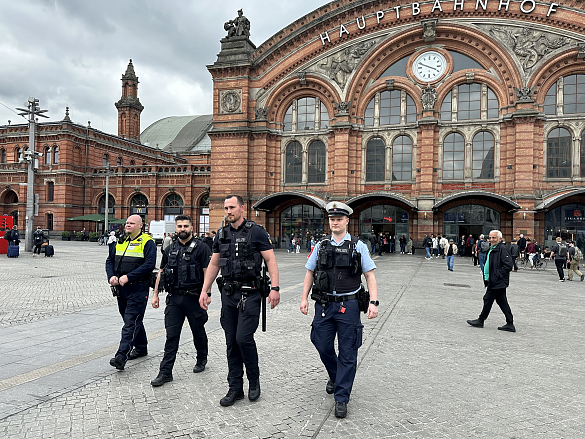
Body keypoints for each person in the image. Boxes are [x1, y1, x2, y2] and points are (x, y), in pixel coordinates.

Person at [199, 195, 280, 407]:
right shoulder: (221, 234)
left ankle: (254, 381)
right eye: (226, 208)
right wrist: (204, 290)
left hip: (251, 294)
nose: (228, 211)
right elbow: (214, 264)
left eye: (232, 207)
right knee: (231, 342)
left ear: (242, 208)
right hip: (228, 294)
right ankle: (235, 388)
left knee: (243, 338)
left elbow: (270, 259)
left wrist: (275, 288)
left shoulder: (257, 231)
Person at [300, 201, 378, 419]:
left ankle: (341, 398)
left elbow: (369, 275)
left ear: (347, 221)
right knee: (321, 343)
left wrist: (374, 302)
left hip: (349, 305)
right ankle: (335, 376)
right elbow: (309, 272)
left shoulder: (358, 246)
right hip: (324, 305)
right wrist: (303, 298)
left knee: (348, 352)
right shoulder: (321, 245)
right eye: (331, 219)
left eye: (338, 219)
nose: (334, 222)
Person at [150, 215, 212, 387]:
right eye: (179, 226)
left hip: (194, 298)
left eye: (185, 226)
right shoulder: (170, 249)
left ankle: (202, 358)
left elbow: (208, 272)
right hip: (175, 299)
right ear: (175, 228)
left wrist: (207, 293)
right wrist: (155, 294)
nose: (182, 229)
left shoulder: (202, 248)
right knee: (171, 336)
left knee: (198, 331)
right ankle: (165, 372)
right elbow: (161, 272)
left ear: (192, 227)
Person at [105, 215, 156, 370]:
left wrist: (129, 276)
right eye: (127, 223)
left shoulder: (148, 242)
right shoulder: (121, 241)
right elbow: (109, 261)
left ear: (141, 226)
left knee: (130, 322)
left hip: (138, 288)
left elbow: (149, 265)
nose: (127, 225)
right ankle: (141, 347)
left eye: (131, 223)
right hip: (121, 289)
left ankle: (121, 356)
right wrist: (111, 276)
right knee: (133, 321)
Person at [467, 230, 515, 332]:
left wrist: (497, 276)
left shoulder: (502, 248)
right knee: (502, 301)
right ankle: (510, 323)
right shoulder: (493, 248)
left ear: (500, 239)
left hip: (497, 281)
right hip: (494, 280)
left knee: (487, 299)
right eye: (490, 238)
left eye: (494, 238)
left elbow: (508, 265)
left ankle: (481, 320)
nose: (491, 240)